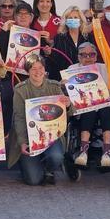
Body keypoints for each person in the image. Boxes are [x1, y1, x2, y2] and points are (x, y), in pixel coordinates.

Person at [8, 55, 70, 186]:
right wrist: (23, 142)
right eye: (33, 69)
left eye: (40, 68)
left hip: (52, 135)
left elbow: (70, 112)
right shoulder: (20, 90)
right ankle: (27, 163)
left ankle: (49, 169)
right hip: (30, 137)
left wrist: (68, 104)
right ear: (27, 71)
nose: (37, 72)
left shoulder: (54, 87)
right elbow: (18, 118)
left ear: (45, 69)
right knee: (33, 180)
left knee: (57, 156)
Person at [69, 43, 110, 168]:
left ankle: (106, 152)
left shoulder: (105, 68)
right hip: (83, 108)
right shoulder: (72, 69)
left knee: (107, 109)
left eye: (92, 54)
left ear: (96, 57)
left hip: (104, 104)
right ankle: (83, 151)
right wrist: (65, 85)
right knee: (88, 111)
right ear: (78, 57)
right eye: (84, 55)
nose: (88, 57)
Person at [50, 6, 93, 78]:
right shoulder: (59, 38)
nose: (73, 20)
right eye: (70, 18)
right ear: (65, 21)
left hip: (86, 77)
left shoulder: (88, 37)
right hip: (66, 78)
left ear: (80, 20)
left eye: (76, 17)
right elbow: (56, 60)